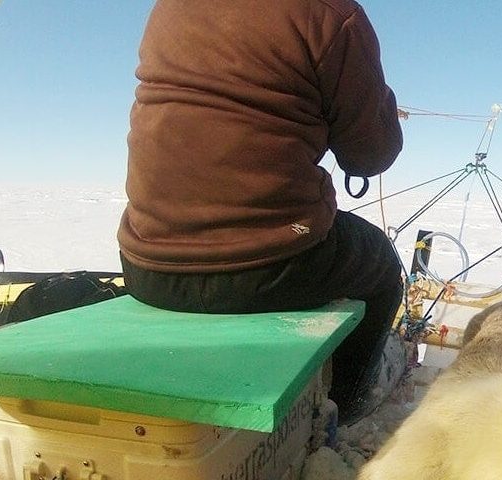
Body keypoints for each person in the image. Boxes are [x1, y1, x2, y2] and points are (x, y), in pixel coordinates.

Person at [116, 0, 404, 423]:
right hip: (270, 267)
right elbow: (370, 154)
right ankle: (343, 414)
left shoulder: (170, 6)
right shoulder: (332, 15)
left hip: (147, 266)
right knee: (381, 267)